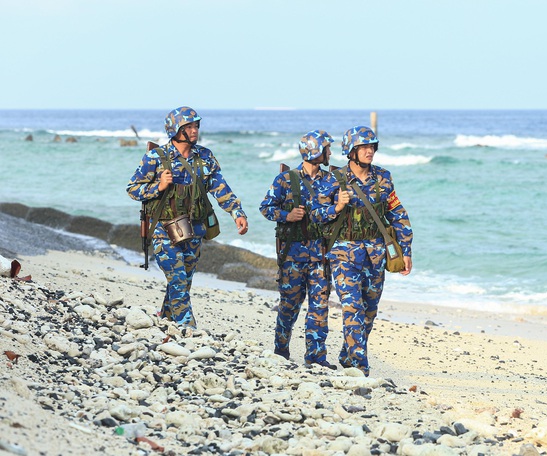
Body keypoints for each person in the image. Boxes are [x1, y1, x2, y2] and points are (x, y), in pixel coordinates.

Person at [127, 106, 249, 328]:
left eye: (196, 126)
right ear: (176, 129)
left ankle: (164, 318)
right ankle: (188, 328)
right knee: (178, 278)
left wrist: (237, 213)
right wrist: (159, 186)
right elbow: (132, 189)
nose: (194, 131)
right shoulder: (156, 157)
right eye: (189, 127)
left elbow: (220, 188)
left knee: (184, 280)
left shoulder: (205, 156)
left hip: (193, 229)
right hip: (163, 229)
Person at [311, 126, 412, 376]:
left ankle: (348, 355)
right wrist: (336, 207)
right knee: (352, 307)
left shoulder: (383, 178)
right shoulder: (333, 180)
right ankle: (359, 366)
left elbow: (398, 214)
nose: (370, 151)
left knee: (369, 311)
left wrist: (406, 249)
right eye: (364, 147)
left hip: (376, 254)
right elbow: (316, 214)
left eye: (372, 146)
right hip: (344, 254)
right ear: (351, 151)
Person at [259, 130, 335, 368]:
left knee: (319, 307)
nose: (329, 152)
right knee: (289, 305)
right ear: (315, 151)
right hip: (292, 255)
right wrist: (287, 215)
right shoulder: (285, 180)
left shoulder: (332, 180)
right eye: (326, 148)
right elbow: (265, 208)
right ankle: (281, 351)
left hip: (321, 256)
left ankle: (316, 359)